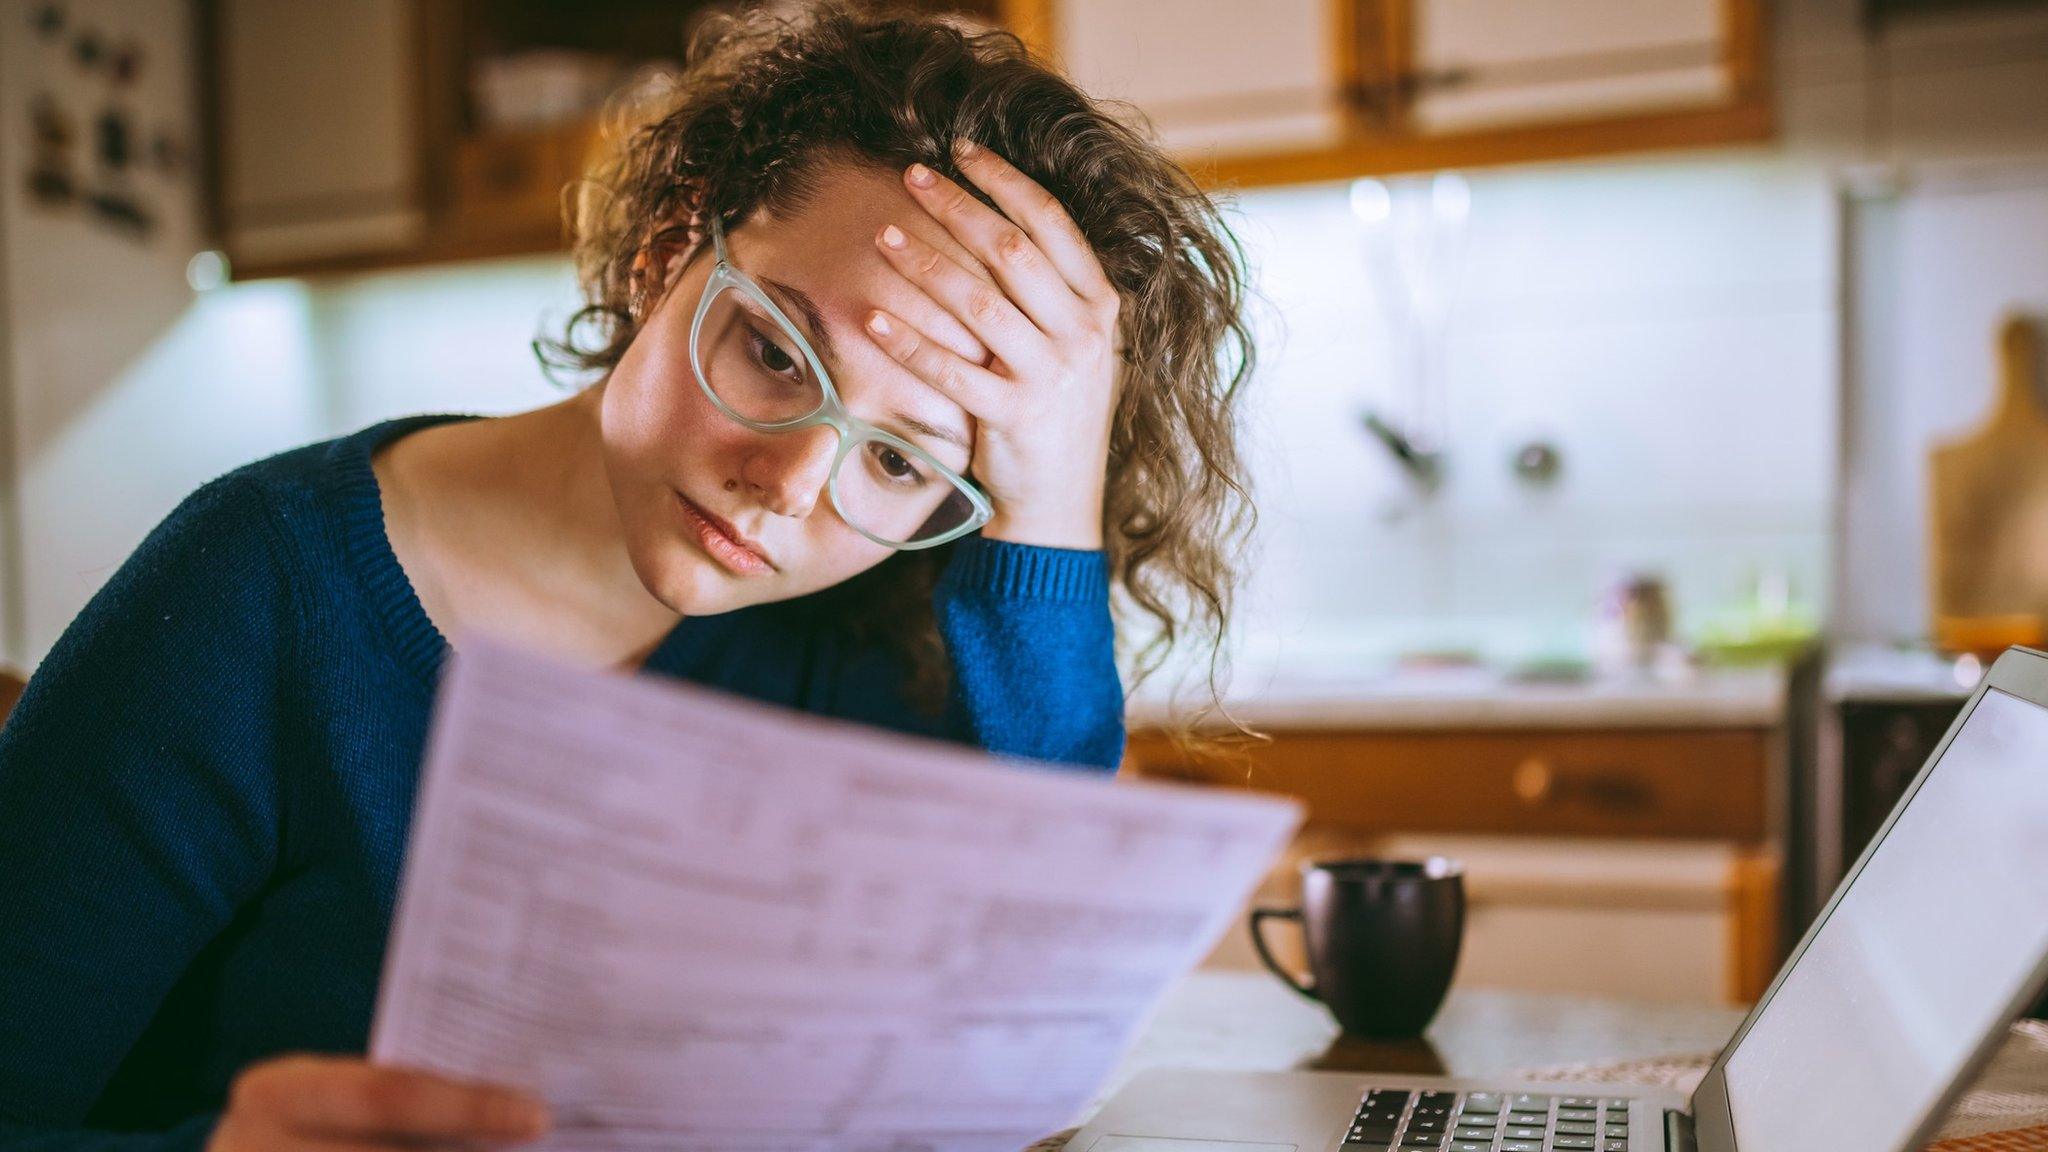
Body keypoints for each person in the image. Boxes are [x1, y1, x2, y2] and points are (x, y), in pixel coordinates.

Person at [0, 4, 1255, 1150]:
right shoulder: (254, 591)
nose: (789, 487)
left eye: (897, 462)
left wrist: (1044, 515)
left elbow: (1027, 1013)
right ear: (668, 247)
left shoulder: (861, 641)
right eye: (771, 352)